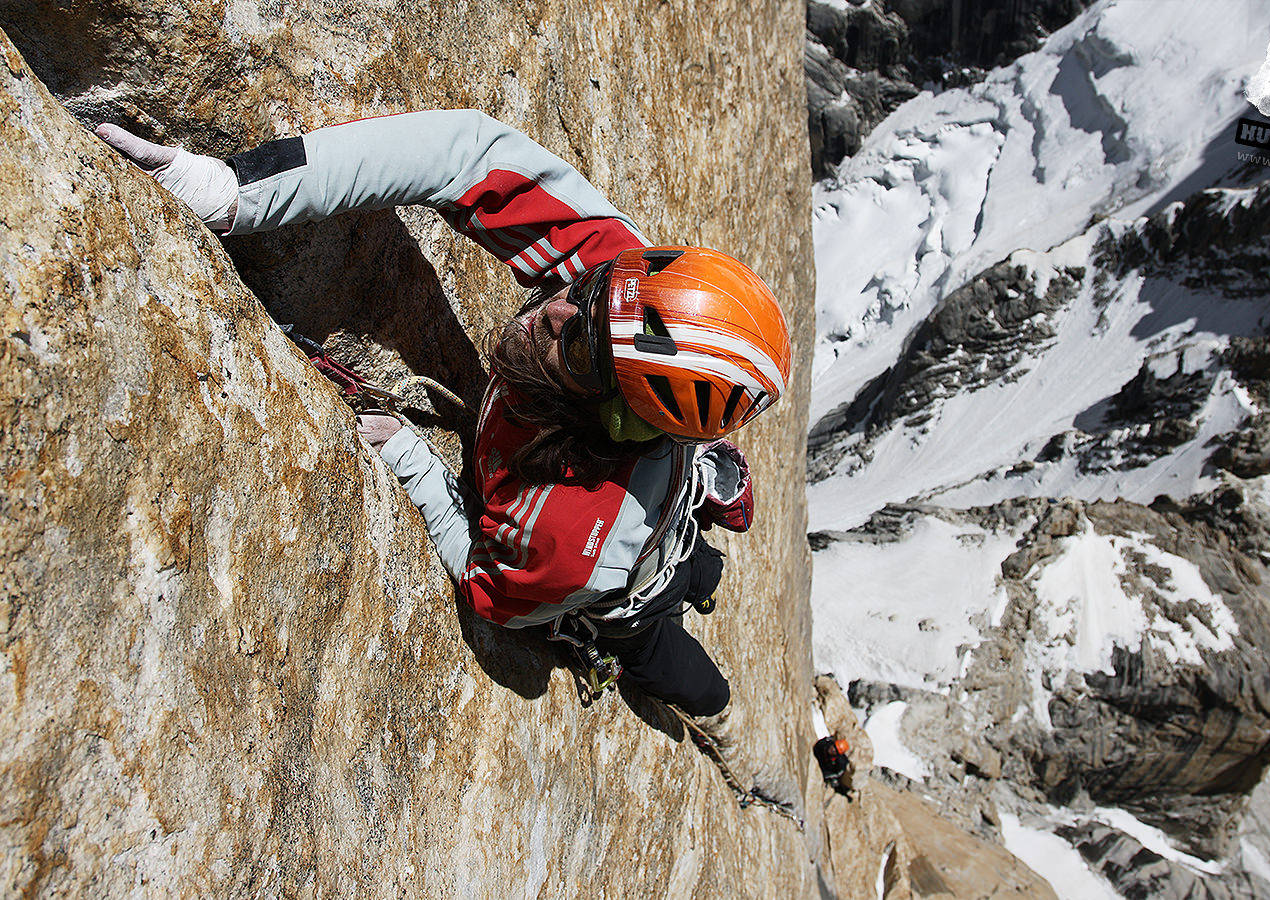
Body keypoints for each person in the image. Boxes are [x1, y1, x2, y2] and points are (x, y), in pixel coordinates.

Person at [96, 110, 793, 796]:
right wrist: (238, 192)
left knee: (692, 678)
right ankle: (698, 554)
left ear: (618, 417)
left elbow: (495, 596)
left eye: (578, 345)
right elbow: (465, 154)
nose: (554, 310)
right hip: (648, 519)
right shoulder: (630, 291)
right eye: (584, 293)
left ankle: (739, 752)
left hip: (626, 595)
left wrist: (414, 463)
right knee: (698, 566)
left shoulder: (573, 536)